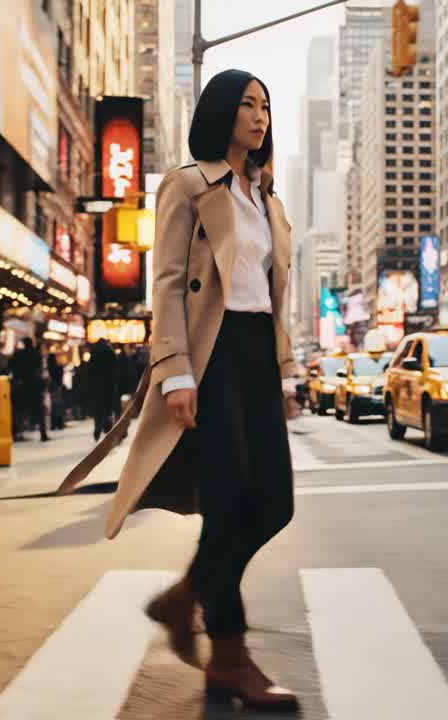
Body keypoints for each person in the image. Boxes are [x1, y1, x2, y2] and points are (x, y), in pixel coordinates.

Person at [60, 69, 302, 710]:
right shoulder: (189, 185)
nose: (260, 116)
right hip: (211, 355)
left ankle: (185, 594)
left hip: (255, 355)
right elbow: (165, 282)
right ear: (221, 112)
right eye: (248, 104)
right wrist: (175, 371)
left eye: (267, 106)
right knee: (226, 503)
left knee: (275, 501)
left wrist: (287, 370)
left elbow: (278, 299)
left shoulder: (269, 198)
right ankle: (229, 656)